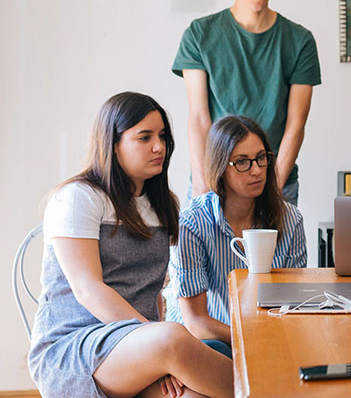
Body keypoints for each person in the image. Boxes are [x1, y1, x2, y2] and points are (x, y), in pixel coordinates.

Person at [29, 92, 233, 398]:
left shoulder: (162, 204)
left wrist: (156, 350)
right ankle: (277, 390)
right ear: (113, 143)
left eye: (162, 136)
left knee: (197, 390)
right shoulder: (78, 197)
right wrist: (156, 341)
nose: (159, 147)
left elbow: (153, 293)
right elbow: (88, 290)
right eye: (144, 137)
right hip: (74, 350)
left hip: (138, 348)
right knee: (174, 339)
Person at [173, 0, 321, 206]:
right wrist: (204, 187)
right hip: (216, 180)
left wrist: (273, 189)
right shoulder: (199, 35)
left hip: (276, 180)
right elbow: (199, 118)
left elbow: (296, 125)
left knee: (275, 251)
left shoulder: (300, 41)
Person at [167, 115, 306, 356]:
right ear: (220, 167)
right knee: (218, 350)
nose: (256, 171)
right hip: (206, 342)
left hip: (269, 338)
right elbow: (196, 322)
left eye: (261, 158)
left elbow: (293, 305)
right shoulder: (192, 222)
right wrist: (252, 339)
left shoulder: (291, 219)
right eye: (242, 162)